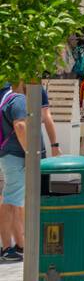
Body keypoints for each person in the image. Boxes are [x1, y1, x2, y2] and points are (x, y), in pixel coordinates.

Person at [0, 83, 28, 259]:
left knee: (15, 200)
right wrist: (30, 152)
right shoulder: (18, 99)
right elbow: (20, 126)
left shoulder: (5, 99)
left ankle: (19, 245)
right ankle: (7, 248)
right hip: (16, 155)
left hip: (7, 154)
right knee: (11, 200)